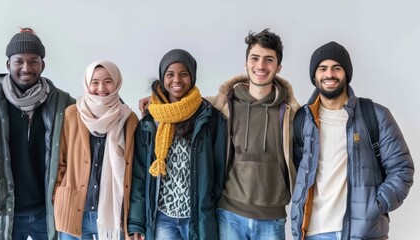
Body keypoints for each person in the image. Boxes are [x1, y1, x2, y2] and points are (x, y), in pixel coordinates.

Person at [0, 28, 75, 240]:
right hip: (4, 213)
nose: (26, 68)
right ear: (8, 64)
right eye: (19, 61)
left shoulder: (61, 103)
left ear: (43, 65)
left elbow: (96, 113)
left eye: (33, 61)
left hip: (48, 213)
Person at [290, 41, 415, 240]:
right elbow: (298, 171)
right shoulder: (300, 121)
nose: (329, 74)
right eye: (322, 68)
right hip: (313, 232)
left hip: (364, 234)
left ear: (346, 73)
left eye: (336, 68)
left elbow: (402, 169)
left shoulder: (375, 115)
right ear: (314, 75)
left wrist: (376, 205)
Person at [207, 29, 300, 240]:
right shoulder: (223, 104)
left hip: (272, 217)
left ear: (279, 67)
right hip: (229, 213)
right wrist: (156, 96)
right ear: (246, 63)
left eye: (269, 60)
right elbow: (184, 102)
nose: (261, 66)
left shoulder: (292, 113)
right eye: (255, 58)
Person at [128, 49, 227, 240]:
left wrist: (207, 203)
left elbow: (220, 170)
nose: (177, 80)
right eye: (170, 74)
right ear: (162, 77)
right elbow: (140, 175)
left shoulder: (210, 118)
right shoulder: (151, 120)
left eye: (184, 74)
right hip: (162, 218)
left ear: (193, 76)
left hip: (197, 218)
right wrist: (136, 222)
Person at [53, 60, 138, 240]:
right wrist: (58, 198)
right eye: (95, 82)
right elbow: (59, 163)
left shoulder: (129, 119)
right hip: (74, 211)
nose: (101, 87)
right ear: (87, 83)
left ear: (117, 83)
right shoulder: (72, 114)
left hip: (114, 216)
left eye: (108, 81)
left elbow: (135, 169)